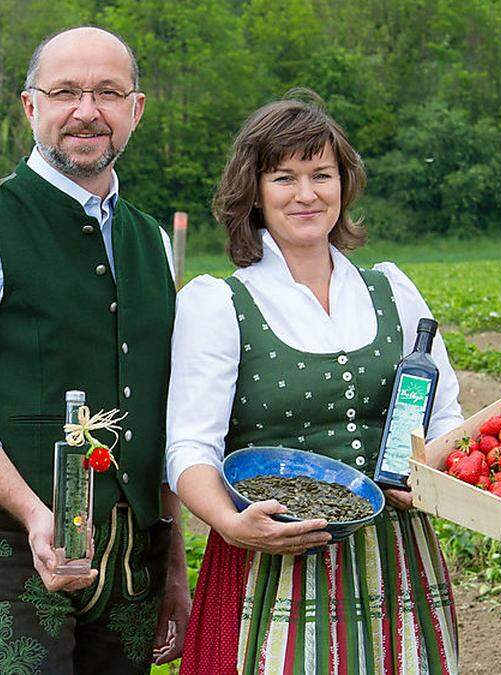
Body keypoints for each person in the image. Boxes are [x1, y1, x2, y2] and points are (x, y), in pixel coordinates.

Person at [0, 26, 190, 673]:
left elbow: (162, 410)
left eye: (107, 92)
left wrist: (174, 562)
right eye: (65, 91)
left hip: (133, 559)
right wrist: (37, 514)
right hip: (17, 551)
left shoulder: (152, 241)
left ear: (136, 109)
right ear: (31, 106)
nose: (86, 110)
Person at [166, 92, 464, 674]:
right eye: (285, 177)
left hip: (396, 557)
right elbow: (189, 448)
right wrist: (230, 524)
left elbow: (448, 417)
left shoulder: (392, 290)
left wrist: (433, 479)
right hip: (271, 555)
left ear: (343, 184)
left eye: (321, 174)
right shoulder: (220, 303)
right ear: (253, 191)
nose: (307, 194)